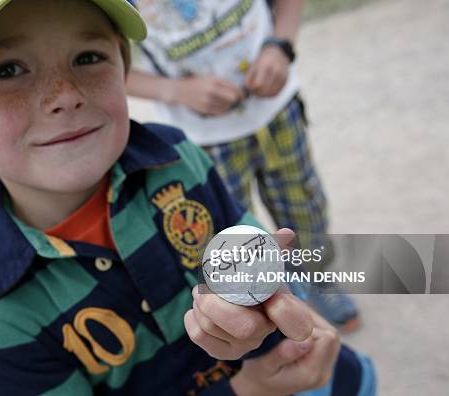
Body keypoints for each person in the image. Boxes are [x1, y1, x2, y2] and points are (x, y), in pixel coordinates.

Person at [0, 0, 375, 394]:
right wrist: (243, 392)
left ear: (123, 66)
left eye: (87, 57)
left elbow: (249, 241)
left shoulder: (176, 154)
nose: (65, 95)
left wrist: (275, 301)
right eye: (7, 70)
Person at [125, 0, 360, 332]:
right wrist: (175, 90)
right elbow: (99, 62)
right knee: (233, 236)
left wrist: (280, 45)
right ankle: (263, 304)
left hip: (276, 113)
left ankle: (314, 276)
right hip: (203, 139)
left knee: (304, 210)